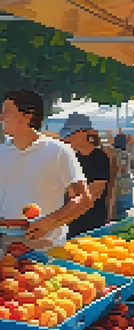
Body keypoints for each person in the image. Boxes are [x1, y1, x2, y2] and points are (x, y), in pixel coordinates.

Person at [0, 90, 92, 252]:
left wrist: (50, 222)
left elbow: (83, 199)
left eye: (7, 112)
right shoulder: (2, 151)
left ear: (27, 116)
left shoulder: (58, 151)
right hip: (4, 247)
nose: (1, 117)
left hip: (44, 248)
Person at [59, 114, 112, 238]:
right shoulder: (73, 158)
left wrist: (61, 217)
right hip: (72, 220)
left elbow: (95, 193)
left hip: (90, 222)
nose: (68, 138)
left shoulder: (99, 157)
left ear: (85, 134)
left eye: (71, 133)